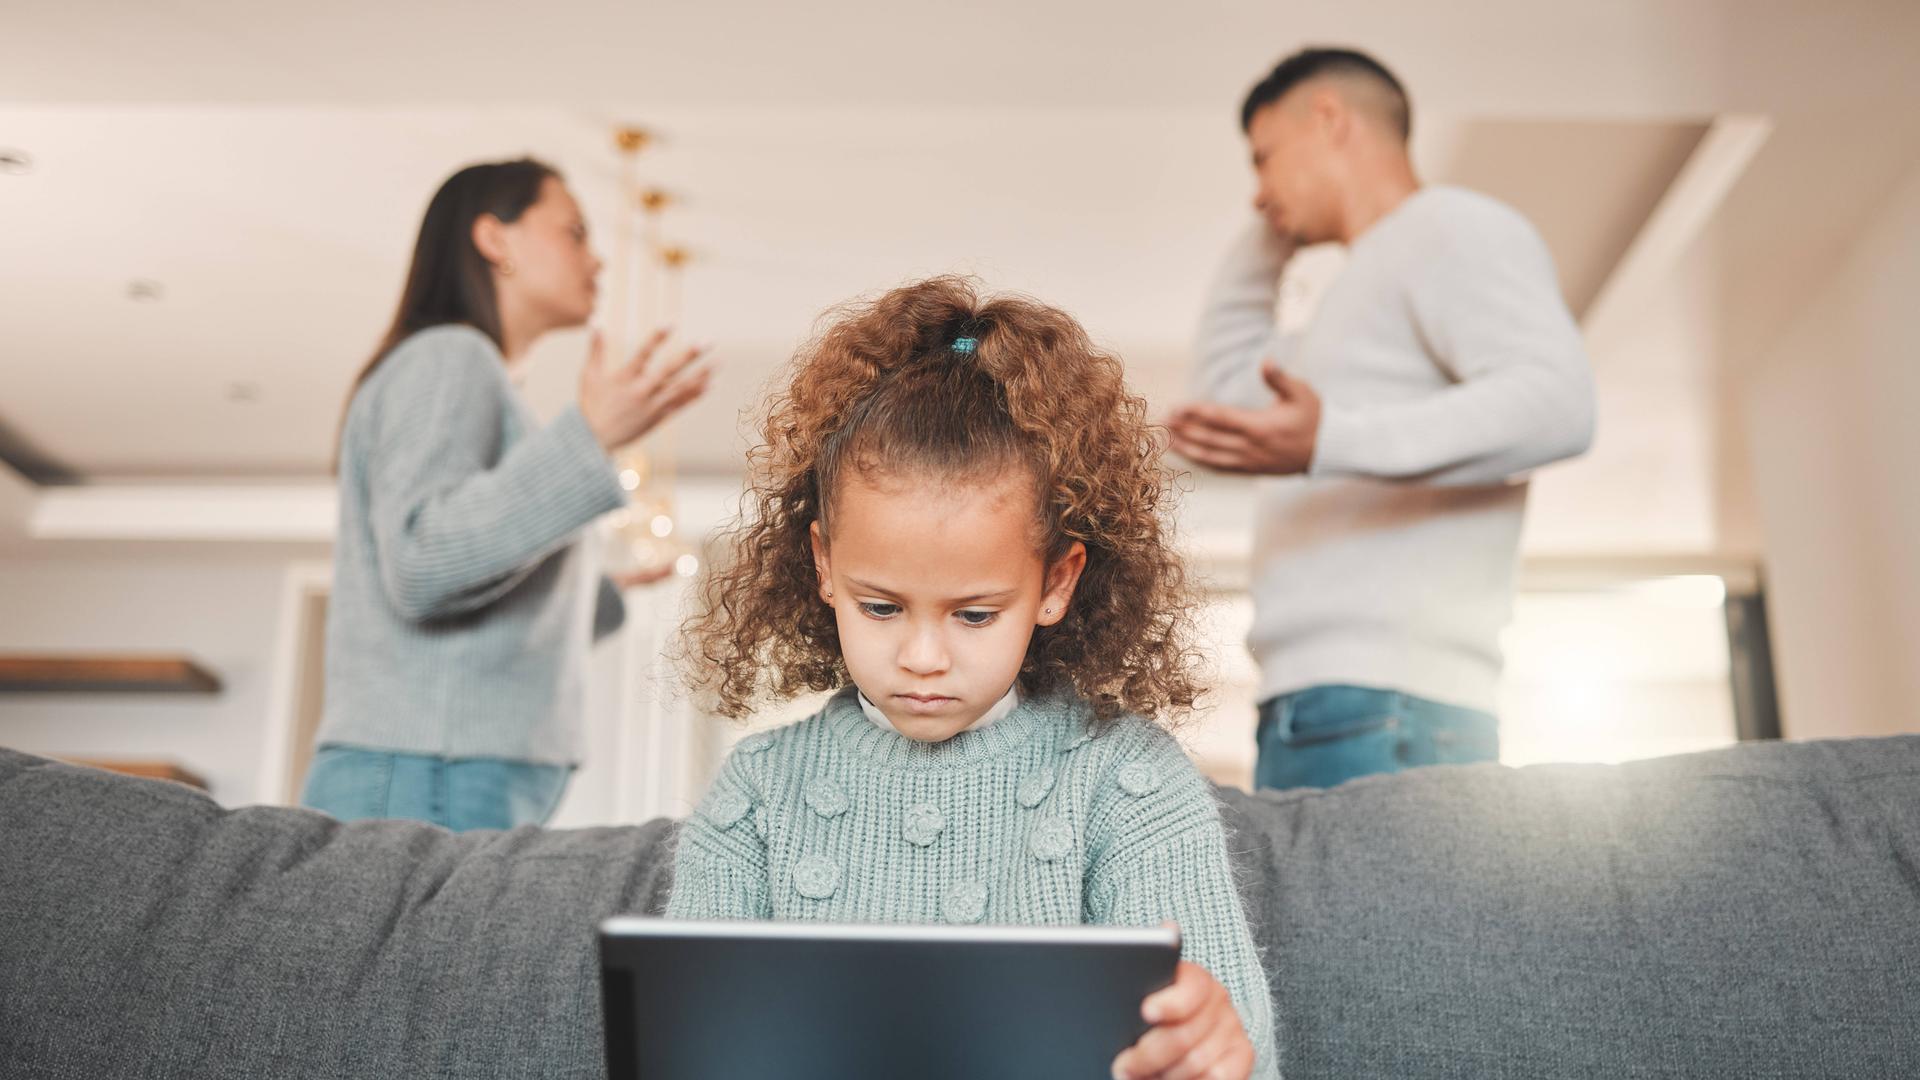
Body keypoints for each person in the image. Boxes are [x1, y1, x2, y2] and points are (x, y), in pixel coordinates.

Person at [670, 278, 1278, 1080]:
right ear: (824, 566)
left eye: (975, 615)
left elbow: (1235, 1051)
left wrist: (1213, 1046)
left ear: (1055, 585)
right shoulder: (754, 794)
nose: (923, 656)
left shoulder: (1129, 784)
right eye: (882, 607)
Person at [1168, 48, 1595, 792]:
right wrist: (1277, 223)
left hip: (1389, 703)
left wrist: (1329, 440)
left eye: (1265, 159)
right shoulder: (1357, 290)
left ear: (1328, 118)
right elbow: (1226, 402)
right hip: (1327, 701)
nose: (1257, 191)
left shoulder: (1448, 229)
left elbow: (1558, 404)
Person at [300, 158, 711, 831]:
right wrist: (591, 439)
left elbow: (466, 587)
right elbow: (423, 562)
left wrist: (600, 593)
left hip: (441, 768)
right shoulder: (448, 358)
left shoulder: (471, 372)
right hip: (428, 769)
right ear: (495, 239)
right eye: (574, 233)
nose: (599, 261)